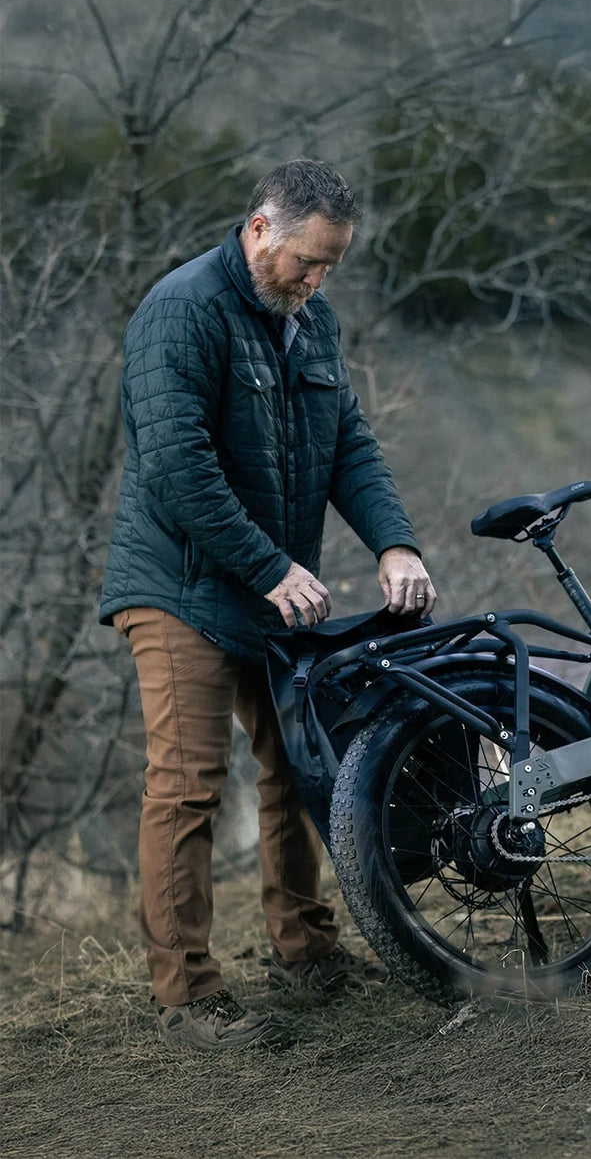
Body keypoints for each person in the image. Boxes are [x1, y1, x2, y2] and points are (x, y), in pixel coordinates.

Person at [99, 159, 435, 1051]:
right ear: (259, 230)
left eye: (330, 266)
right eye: (305, 262)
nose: (316, 281)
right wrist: (268, 566)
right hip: (179, 586)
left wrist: (394, 540)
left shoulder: (309, 320)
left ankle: (308, 952)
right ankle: (187, 999)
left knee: (301, 765)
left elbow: (348, 445)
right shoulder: (182, 311)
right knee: (187, 786)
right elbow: (177, 468)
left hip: (273, 588)